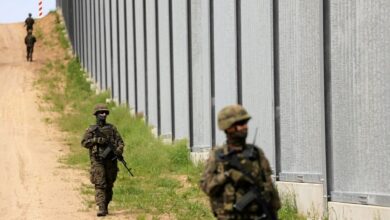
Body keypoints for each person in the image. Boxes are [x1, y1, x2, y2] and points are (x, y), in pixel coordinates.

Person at [200, 104, 281, 220]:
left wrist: (273, 211)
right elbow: (206, 186)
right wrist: (227, 175)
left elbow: (269, 186)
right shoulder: (218, 156)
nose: (245, 127)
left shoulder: (256, 154)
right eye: (240, 124)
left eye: (245, 123)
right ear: (228, 127)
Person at [81, 104, 125, 217]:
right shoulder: (91, 129)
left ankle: (105, 204)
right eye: (101, 112)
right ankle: (101, 207)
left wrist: (119, 151)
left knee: (109, 184)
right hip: (98, 160)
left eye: (105, 112)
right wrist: (96, 140)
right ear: (96, 115)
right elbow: (84, 143)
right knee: (100, 184)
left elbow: (120, 142)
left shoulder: (112, 128)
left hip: (111, 160)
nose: (104, 114)